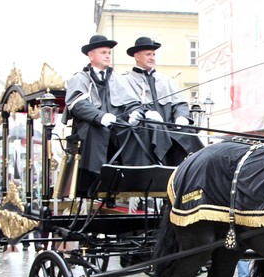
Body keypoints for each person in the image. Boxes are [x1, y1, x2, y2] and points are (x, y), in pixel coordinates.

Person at [64, 34, 148, 193]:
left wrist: (135, 113)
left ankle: (136, 181)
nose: (108, 55)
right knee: (96, 130)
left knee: (141, 129)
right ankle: (93, 184)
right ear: (91, 55)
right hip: (90, 128)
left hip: (117, 126)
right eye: (103, 52)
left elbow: (132, 102)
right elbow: (78, 105)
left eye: (109, 52)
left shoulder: (118, 78)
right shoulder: (80, 78)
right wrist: (100, 116)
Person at [124, 36, 204, 166]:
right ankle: (160, 166)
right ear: (137, 56)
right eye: (148, 54)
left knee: (187, 130)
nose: (152, 58)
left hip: (169, 128)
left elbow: (180, 103)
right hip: (144, 129)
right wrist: (145, 113)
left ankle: (195, 166)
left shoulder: (166, 80)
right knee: (155, 128)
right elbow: (128, 104)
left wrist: (182, 116)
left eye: (154, 54)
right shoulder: (126, 80)